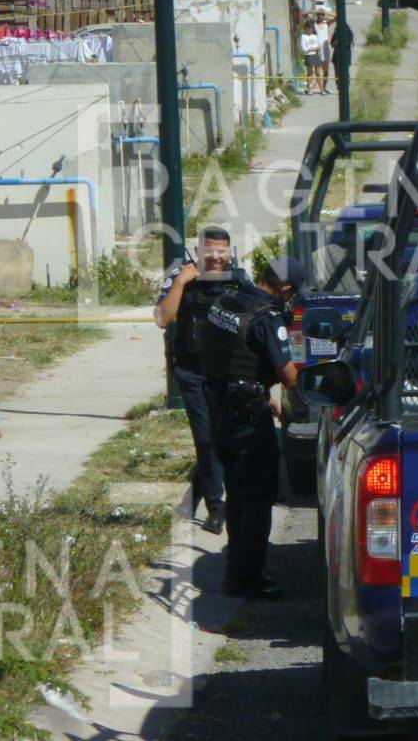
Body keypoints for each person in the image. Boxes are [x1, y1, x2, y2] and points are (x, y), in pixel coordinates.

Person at [200, 257, 304, 600]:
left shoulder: (227, 300)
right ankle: (247, 577)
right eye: (294, 294)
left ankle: (236, 565)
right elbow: (289, 377)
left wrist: (262, 394)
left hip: (219, 408)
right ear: (286, 289)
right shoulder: (267, 318)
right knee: (259, 497)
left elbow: (233, 357)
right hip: (246, 417)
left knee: (237, 493)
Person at [154, 227, 247, 535]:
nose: (216, 257)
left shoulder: (238, 280)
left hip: (228, 373)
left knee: (223, 441)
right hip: (194, 373)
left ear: (229, 252)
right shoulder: (181, 276)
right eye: (210, 251)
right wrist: (181, 281)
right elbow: (162, 319)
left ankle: (196, 496)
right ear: (199, 251)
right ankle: (217, 508)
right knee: (206, 440)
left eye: (222, 251)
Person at [299, 18, 319, 92]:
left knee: (317, 72)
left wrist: (312, 48)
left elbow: (318, 46)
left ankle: (319, 87)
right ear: (306, 29)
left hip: (315, 55)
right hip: (309, 56)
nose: (310, 30)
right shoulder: (303, 37)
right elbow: (304, 49)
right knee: (309, 72)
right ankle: (308, 87)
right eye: (309, 28)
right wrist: (311, 49)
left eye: (311, 28)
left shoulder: (314, 36)